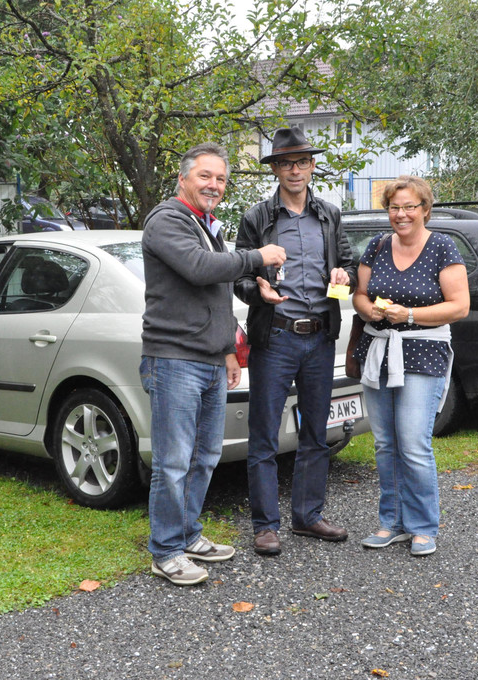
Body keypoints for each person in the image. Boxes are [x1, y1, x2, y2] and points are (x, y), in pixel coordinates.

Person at [140, 142, 286, 585]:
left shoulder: (205, 225)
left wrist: (227, 350)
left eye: (221, 178)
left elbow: (215, 293)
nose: (214, 185)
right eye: (205, 176)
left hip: (207, 360)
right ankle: (166, 551)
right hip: (174, 359)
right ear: (183, 178)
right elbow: (200, 268)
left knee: (205, 456)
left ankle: (187, 535)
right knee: (173, 462)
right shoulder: (167, 220)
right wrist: (259, 256)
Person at [234, 127, 358, 556]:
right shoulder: (257, 218)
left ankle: (307, 516)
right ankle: (265, 526)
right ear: (275, 169)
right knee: (265, 435)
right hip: (276, 337)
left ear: (312, 166)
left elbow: (349, 265)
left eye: (302, 162)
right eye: (286, 163)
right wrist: (258, 292)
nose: (294, 170)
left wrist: (345, 275)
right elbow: (239, 277)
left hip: (320, 337)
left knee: (316, 434)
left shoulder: (329, 214)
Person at [351, 176, 469, 556]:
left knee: (414, 444)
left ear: (425, 210)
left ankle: (422, 526)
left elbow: (459, 306)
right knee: (386, 444)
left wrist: (411, 315)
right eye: (394, 207)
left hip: (423, 351)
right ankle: (392, 523)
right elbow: (360, 295)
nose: (401, 214)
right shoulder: (377, 245)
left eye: (409, 207)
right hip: (379, 351)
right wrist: (368, 309)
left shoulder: (442, 247)